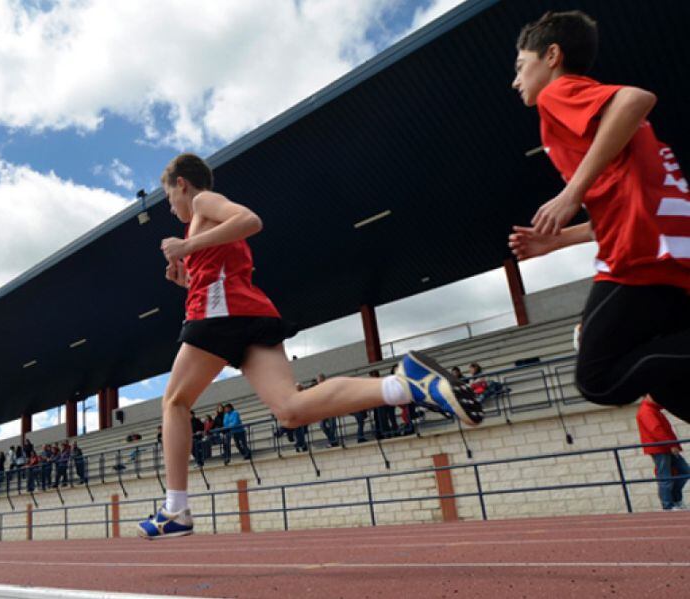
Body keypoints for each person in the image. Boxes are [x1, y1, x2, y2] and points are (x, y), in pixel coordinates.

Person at [137, 153, 481, 539]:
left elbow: (250, 221)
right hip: (249, 313)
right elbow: (221, 269)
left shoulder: (202, 202)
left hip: (220, 314)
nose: (172, 208)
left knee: (174, 402)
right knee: (290, 410)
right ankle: (406, 385)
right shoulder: (202, 230)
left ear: (182, 184)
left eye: (169, 198)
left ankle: (176, 509)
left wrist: (187, 248)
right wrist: (186, 276)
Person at [508, 11, 690, 422]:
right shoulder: (603, 131)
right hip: (665, 251)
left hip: (641, 258)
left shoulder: (560, 94)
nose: (516, 80)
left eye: (521, 67)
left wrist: (571, 193)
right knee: (668, 384)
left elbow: (636, 97)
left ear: (552, 55)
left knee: (598, 379)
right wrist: (558, 240)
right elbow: (620, 205)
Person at [637, 396, 689, 510]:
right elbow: (656, 429)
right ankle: (668, 506)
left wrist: (672, 445)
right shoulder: (647, 410)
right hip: (659, 449)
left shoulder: (654, 410)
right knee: (665, 477)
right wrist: (671, 445)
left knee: (685, 471)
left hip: (666, 447)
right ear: (648, 396)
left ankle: (675, 500)